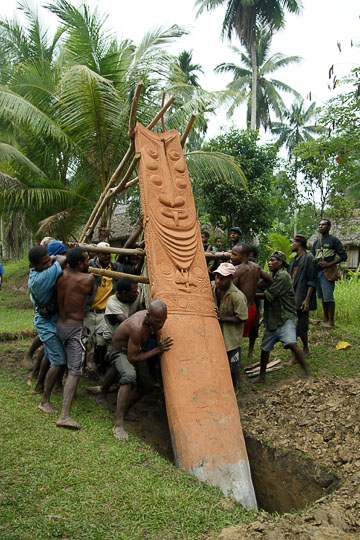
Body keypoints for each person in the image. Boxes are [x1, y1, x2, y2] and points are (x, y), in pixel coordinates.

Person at [101, 300, 173, 441]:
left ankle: (125, 409)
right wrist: (158, 349)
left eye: (163, 321)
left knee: (146, 386)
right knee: (129, 375)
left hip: (134, 350)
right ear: (149, 315)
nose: (161, 325)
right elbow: (132, 358)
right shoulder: (137, 327)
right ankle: (119, 423)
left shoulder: (151, 321)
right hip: (119, 351)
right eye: (158, 321)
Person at [254, 251, 309, 383]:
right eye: (269, 260)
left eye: (272, 260)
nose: (269, 262)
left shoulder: (283, 276)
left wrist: (249, 294)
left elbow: (270, 294)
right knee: (265, 348)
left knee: (291, 343)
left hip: (285, 316)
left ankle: (307, 372)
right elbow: (261, 286)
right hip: (272, 318)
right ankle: (262, 376)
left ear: (280, 262)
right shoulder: (271, 276)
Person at [56, 247, 94, 429]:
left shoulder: (60, 274)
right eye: (87, 259)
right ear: (79, 263)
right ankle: (64, 415)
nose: (90, 262)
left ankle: (46, 390)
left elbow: (58, 259)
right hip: (74, 328)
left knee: (58, 361)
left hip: (60, 324)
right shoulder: (88, 279)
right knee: (75, 370)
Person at [28, 246, 67, 414]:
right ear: (34, 264)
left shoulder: (39, 272)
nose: (47, 264)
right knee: (59, 361)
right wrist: (54, 259)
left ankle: (38, 385)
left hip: (51, 321)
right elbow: (63, 260)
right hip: (46, 324)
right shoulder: (40, 279)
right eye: (44, 263)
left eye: (48, 261)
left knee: (49, 354)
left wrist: (50, 259)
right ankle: (45, 401)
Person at [85, 242, 124, 373]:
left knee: (101, 342)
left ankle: (100, 368)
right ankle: (86, 366)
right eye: (104, 254)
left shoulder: (114, 268)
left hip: (104, 313)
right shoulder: (89, 266)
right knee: (86, 340)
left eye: (109, 254)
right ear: (97, 254)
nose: (107, 256)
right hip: (89, 311)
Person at [211, 263, 248, 392]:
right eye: (217, 277)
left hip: (230, 337)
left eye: (223, 278)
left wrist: (223, 318)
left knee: (233, 365)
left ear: (231, 278)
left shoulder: (237, 296)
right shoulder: (212, 288)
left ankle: (235, 388)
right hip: (215, 334)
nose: (218, 280)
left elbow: (243, 317)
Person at [311, 219, 347, 328]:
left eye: (323, 225)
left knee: (329, 297)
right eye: (319, 224)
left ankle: (331, 322)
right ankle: (325, 318)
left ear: (329, 227)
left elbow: (343, 256)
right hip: (317, 272)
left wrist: (330, 264)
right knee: (322, 296)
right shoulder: (316, 242)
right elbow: (312, 257)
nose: (320, 226)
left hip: (328, 272)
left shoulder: (334, 240)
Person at [288, 235, 317, 359]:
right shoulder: (294, 260)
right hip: (292, 297)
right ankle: (295, 354)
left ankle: (305, 347)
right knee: (291, 326)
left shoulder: (309, 258)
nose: (291, 245)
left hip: (302, 296)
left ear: (299, 243)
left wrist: (307, 300)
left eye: (293, 242)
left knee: (302, 325)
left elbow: (312, 281)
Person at [231, 243, 260, 356]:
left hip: (241, 308)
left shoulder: (238, 269)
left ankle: (234, 360)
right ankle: (249, 352)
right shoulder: (256, 267)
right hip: (251, 307)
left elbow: (230, 290)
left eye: (234, 254)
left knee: (234, 336)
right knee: (250, 331)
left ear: (243, 256)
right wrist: (256, 288)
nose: (231, 257)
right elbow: (270, 279)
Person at [103, 277, 141, 345]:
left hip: (127, 336)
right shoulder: (112, 303)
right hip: (113, 338)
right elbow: (127, 323)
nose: (137, 293)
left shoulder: (134, 297)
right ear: (124, 293)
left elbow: (142, 312)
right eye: (134, 292)